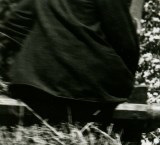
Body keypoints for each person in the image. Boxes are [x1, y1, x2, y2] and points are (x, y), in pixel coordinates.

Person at [0, 0, 140, 124]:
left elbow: (14, 23)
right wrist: (127, 80)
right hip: (87, 91)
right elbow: (126, 45)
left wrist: (28, 63)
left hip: (33, 86)